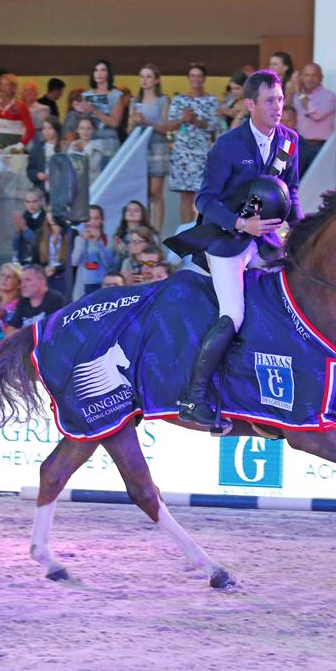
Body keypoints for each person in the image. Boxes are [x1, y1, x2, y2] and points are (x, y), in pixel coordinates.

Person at [170, 68, 300, 430]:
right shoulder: (227, 145)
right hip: (226, 241)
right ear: (249, 104)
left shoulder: (289, 141)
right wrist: (242, 225)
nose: (278, 107)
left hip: (265, 241)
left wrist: (301, 237)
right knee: (234, 313)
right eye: (271, 101)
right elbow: (205, 200)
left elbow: (293, 193)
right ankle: (193, 398)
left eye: (281, 100)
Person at [167, 63, 222, 223]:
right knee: (185, 195)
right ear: (188, 78)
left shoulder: (211, 100)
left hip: (201, 153)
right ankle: (184, 229)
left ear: (204, 79)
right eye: (193, 76)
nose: (196, 79)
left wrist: (195, 120)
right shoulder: (179, 100)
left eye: (199, 76)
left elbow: (213, 125)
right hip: (182, 152)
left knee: (201, 193)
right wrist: (182, 119)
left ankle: (199, 229)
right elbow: (170, 124)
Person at [128, 63, 171, 232]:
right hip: (140, 146)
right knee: (142, 190)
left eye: (148, 77)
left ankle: (156, 230)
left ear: (156, 80)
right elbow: (129, 130)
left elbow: (165, 127)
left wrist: (148, 122)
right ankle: (143, 228)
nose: (145, 80)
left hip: (158, 145)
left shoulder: (163, 100)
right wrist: (133, 120)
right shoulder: (134, 101)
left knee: (156, 191)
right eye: (142, 76)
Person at [67, 59, 127, 163]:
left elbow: (115, 123)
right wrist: (81, 110)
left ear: (108, 74)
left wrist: (94, 110)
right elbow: (84, 120)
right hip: (91, 140)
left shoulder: (116, 95)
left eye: (103, 70)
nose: (99, 73)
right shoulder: (87, 94)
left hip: (109, 140)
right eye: (96, 70)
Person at [294, 62, 336, 173]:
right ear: (302, 77)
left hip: (321, 147)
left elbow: (316, 114)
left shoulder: (329, 96)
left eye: (314, 75)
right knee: (298, 181)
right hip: (300, 145)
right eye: (307, 75)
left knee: (320, 181)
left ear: (321, 78)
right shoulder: (296, 96)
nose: (310, 79)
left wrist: (299, 93)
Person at [69, 205, 113, 300]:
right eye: (89, 219)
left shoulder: (108, 239)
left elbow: (110, 264)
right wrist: (83, 241)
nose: (92, 222)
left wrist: (99, 243)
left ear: (102, 220)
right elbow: (74, 262)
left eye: (96, 218)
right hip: (82, 286)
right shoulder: (79, 239)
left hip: (102, 285)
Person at [7, 264, 65, 333]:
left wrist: (21, 333)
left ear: (42, 281)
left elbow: (50, 332)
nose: (22, 285)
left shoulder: (55, 299)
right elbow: (10, 331)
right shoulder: (23, 301)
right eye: (22, 281)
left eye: (28, 280)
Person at [0, 73, 34, 149]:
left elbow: (30, 130)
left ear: (13, 87)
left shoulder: (20, 105)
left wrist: (20, 146)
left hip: (14, 148)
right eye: (2, 85)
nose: (3, 88)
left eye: (7, 85)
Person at [63, 115, 108, 185]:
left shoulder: (98, 145)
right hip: (77, 185)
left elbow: (93, 166)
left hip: (93, 185)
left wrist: (82, 151)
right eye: (82, 128)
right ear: (77, 130)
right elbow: (70, 166)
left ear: (93, 130)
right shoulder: (73, 145)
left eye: (88, 128)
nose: (85, 131)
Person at [27, 116, 62, 194]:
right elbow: (30, 169)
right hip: (41, 190)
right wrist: (37, 175)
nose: (46, 131)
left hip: (59, 191)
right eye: (44, 128)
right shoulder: (37, 148)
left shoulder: (63, 148)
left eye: (50, 128)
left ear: (56, 129)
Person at [37, 212, 71, 294]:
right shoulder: (43, 238)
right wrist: (44, 269)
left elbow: (70, 262)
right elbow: (38, 260)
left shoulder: (68, 238)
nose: (53, 227)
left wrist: (56, 269)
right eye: (50, 224)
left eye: (55, 224)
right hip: (47, 277)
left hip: (63, 277)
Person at [12, 188, 47, 265]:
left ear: (41, 202)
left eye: (34, 201)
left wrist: (24, 228)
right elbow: (14, 246)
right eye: (28, 202)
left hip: (37, 261)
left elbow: (38, 243)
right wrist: (18, 231)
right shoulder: (24, 217)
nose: (31, 205)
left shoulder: (46, 219)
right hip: (22, 259)